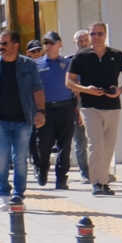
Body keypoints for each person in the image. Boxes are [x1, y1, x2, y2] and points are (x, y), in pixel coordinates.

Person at [0, 29, 46, 208]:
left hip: (24, 119)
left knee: (20, 158)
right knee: (1, 157)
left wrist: (41, 111)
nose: (0, 47)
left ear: (16, 45)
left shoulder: (28, 65)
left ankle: (18, 194)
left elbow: (37, 89)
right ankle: (4, 193)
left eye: (4, 44)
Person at [66, 22, 122, 196]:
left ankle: (104, 181)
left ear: (106, 35)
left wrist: (120, 90)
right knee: (96, 145)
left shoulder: (117, 55)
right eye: (93, 34)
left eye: (100, 33)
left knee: (109, 146)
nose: (96, 37)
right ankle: (97, 182)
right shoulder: (81, 56)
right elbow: (69, 82)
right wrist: (86, 89)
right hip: (90, 107)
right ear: (89, 35)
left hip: (113, 106)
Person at [34, 32, 77, 188]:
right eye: (45, 43)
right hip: (45, 110)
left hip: (66, 108)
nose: (48, 46)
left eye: (51, 42)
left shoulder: (68, 64)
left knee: (65, 146)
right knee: (43, 145)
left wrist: (78, 111)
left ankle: (61, 178)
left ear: (60, 44)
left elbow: (76, 88)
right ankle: (42, 170)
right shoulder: (37, 65)